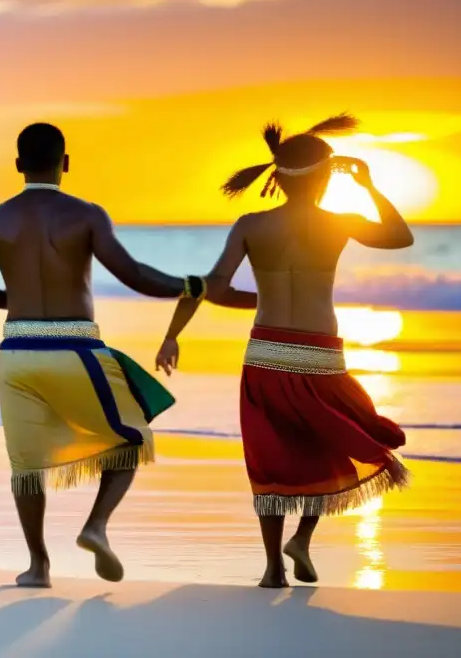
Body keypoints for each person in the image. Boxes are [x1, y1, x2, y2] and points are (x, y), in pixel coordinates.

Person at [0, 123, 255, 588]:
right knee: (132, 438)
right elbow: (133, 274)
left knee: (25, 464)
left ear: (18, 165)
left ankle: (38, 566)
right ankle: (96, 526)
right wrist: (191, 286)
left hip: (16, 351)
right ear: (66, 163)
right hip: (75, 347)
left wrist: (21, 302)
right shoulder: (87, 215)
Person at [155, 114, 413, 588]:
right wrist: (369, 185)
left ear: (277, 177)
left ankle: (274, 566)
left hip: (266, 353)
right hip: (321, 354)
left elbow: (213, 287)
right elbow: (400, 236)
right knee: (324, 444)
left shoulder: (253, 225)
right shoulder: (341, 222)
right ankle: (302, 539)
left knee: (271, 457)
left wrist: (175, 332)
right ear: (325, 176)